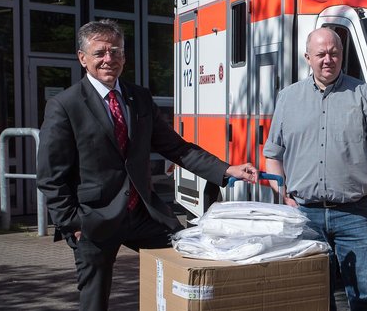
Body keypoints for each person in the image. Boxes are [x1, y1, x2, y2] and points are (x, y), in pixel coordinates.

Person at [37, 19, 259, 311]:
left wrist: (226, 169)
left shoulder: (138, 98)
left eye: (115, 52)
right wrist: (74, 224)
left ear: (124, 57)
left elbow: (176, 148)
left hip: (142, 214)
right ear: (82, 58)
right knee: (95, 301)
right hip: (94, 220)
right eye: (100, 53)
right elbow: (50, 176)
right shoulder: (65, 105)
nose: (108, 59)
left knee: (184, 261)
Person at [262, 28, 367, 311]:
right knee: (313, 299)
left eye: (334, 53)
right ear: (307, 57)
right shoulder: (288, 98)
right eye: (321, 54)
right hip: (305, 215)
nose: (328, 59)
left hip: (355, 215)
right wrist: (283, 192)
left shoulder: (363, 94)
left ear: (341, 55)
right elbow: (272, 155)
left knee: (362, 299)